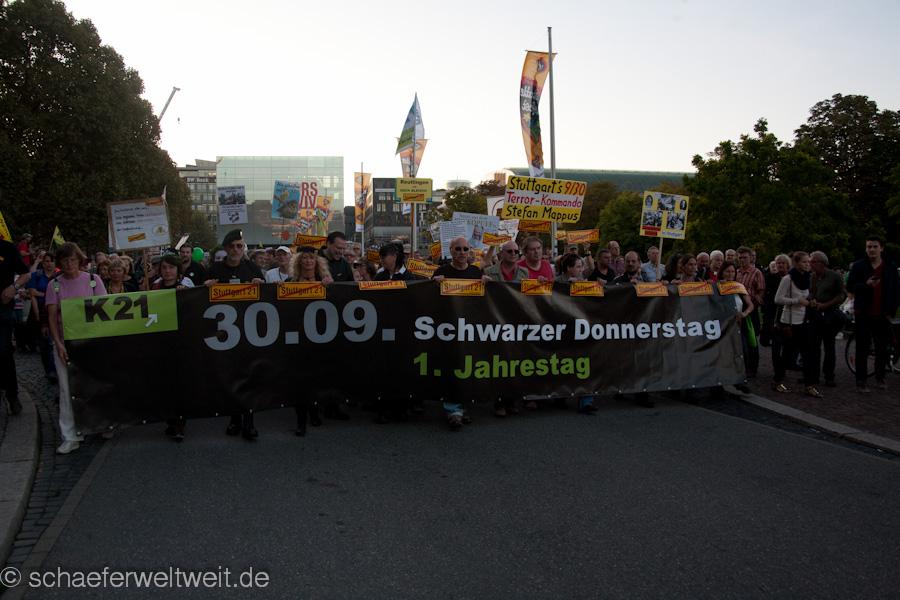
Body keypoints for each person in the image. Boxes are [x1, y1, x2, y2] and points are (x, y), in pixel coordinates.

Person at [45, 243, 108, 453]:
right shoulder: (54, 285)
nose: (70, 264)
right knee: (66, 388)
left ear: (79, 260)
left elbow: (103, 310)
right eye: (65, 260)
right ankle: (70, 435)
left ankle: (104, 424)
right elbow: (52, 317)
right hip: (66, 343)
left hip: (90, 341)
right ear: (60, 262)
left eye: (73, 259)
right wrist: (57, 343)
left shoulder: (93, 280)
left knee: (96, 383)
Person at [204, 230, 265, 439]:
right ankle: (234, 419)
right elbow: (200, 298)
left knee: (248, 377)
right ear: (225, 248)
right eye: (232, 246)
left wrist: (261, 285)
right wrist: (206, 287)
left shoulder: (252, 267)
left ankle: (249, 421)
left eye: (239, 246)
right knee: (230, 377)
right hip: (224, 334)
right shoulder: (214, 269)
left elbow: (265, 296)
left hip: (248, 332)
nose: (236, 250)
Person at [432, 236, 490, 429]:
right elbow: (430, 298)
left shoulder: (475, 271)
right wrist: (435, 283)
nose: (462, 252)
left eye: (466, 249)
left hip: (470, 328)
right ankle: (453, 411)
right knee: (452, 367)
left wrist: (486, 282)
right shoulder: (442, 271)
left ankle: (462, 408)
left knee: (467, 368)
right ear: (451, 251)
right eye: (458, 249)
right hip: (448, 328)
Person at [288, 246, 334, 435]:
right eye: (304, 257)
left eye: (311, 258)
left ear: (317, 261)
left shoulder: (325, 281)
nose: (308, 261)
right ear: (298, 261)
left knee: (316, 377)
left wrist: (331, 284)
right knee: (300, 380)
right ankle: (301, 421)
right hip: (297, 338)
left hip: (319, 336)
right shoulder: (290, 282)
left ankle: (314, 412)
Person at [845, 236, 900, 393]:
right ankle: (861, 380)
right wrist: (866, 285)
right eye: (869, 247)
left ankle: (880, 376)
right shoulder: (859, 266)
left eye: (875, 246)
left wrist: (891, 312)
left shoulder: (890, 266)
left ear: (881, 248)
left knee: (882, 347)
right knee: (862, 347)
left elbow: (896, 290)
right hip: (863, 312)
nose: (872, 249)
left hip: (882, 313)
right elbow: (850, 286)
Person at [772, 252, 821, 398]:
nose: (807, 264)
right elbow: (778, 299)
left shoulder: (807, 278)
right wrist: (797, 301)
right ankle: (777, 381)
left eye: (808, 262)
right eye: (804, 262)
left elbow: (805, 296)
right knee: (787, 355)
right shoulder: (788, 279)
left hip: (804, 320)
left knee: (808, 354)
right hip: (790, 322)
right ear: (796, 263)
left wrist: (810, 302)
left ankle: (809, 385)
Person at [555, 253, 597, 414]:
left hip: (581, 331)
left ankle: (586, 401)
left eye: (582, 267)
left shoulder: (583, 282)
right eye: (578, 267)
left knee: (585, 364)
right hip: (562, 331)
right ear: (569, 268)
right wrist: (566, 287)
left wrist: (599, 286)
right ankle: (560, 396)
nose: (581, 270)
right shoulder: (556, 282)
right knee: (564, 364)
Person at [613, 252, 654, 407]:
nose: (630, 264)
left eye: (633, 261)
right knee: (625, 360)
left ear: (639, 263)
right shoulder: (617, 281)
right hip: (624, 326)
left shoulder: (649, 280)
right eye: (627, 261)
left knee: (642, 361)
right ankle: (620, 388)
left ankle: (642, 395)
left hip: (643, 326)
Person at [808, 251, 846, 388]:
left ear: (822, 263)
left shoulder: (835, 277)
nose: (811, 264)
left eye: (813, 262)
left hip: (829, 314)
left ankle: (829, 375)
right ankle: (814, 374)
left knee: (829, 346)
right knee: (814, 346)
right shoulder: (811, 277)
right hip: (815, 315)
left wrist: (825, 305)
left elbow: (840, 296)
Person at [2, 240, 31, 415]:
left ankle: (11, 394)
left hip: (2, 308)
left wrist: (14, 287)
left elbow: (25, 274)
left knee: (3, 350)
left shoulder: (7, 248)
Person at [718, 262, 752, 394]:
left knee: (742, 352)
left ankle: (740, 380)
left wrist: (744, 313)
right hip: (722, 326)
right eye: (728, 271)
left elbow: (750, 304)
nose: (730, 274)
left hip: (737, 325)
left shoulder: (738, 287)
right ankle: (719, 384)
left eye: (732, 272)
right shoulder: (718, 286)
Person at [26, 251, 58, 382]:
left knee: (51, 342)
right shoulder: (37, 276)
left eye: (52, 261)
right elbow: (32, 293)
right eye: (47, 261)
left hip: (53, 309)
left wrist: (44, 295)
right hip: (39, 309)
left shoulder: (57, 276)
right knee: (44, 343)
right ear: (43, 263)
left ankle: (53, 370)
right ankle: (47, 368)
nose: (49, 264)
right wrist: (37, 313)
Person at [736, 246, 765, 377]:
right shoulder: (736, 272)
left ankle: (752, 367)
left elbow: (761, 290)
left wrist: (755, 304)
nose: (742, 260)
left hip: (750, 308)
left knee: (751, 339)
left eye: (745, 258)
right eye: (740, 258)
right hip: (738, 308)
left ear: (750, 258)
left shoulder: (756, 273)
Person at [761, 254, 789, 347]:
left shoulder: (792, 278)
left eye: (783, 263)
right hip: (773, 312)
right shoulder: (770, 278)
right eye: (778, 263)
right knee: (776, 340)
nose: (780, 265)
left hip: (788, 311)